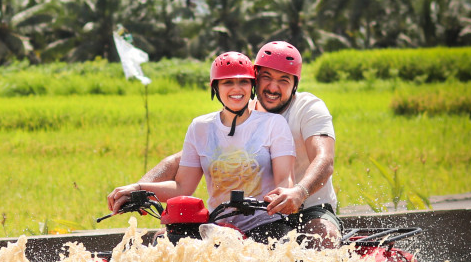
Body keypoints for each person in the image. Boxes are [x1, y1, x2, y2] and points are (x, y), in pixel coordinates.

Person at [108, 41, 342, 248]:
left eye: (283, 80)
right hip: (236, 216)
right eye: (266, 78)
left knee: (323, 236)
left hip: (306, 206)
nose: (272, 87)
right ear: (256, 79)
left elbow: (324, 159)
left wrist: (298, 192)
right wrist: (140, 189)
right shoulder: (237, 113)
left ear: (295, 84)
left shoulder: (307, 109)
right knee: (166, 240)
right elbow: (185, 161)